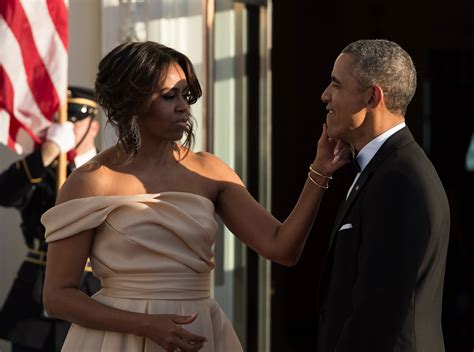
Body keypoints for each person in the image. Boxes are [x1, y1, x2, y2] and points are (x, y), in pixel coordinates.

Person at [40, 41, 350, 352]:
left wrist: (320, 171)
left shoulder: (209, 170)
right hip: (116, 341)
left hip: (200, 334)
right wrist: (145, 325)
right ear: (130, 102)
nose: (183, 106)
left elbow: (282, 248)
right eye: (168, 96)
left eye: (185, 95)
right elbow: (58, 296)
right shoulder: (92, 181)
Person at [316, 39, 450, 351]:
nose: (325, 96)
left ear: (372, 97)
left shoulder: (400, 180)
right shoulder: (384, 168)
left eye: (336, 84)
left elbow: (378, 315)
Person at [0, 86, 101, 352]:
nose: (67, 127)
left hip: (93, 292)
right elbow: (5, 194)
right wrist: (46, 153)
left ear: (94, 127)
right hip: (37, 298)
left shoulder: (109, 170)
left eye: (75, 121)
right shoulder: (44, 169)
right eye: (61, 122)